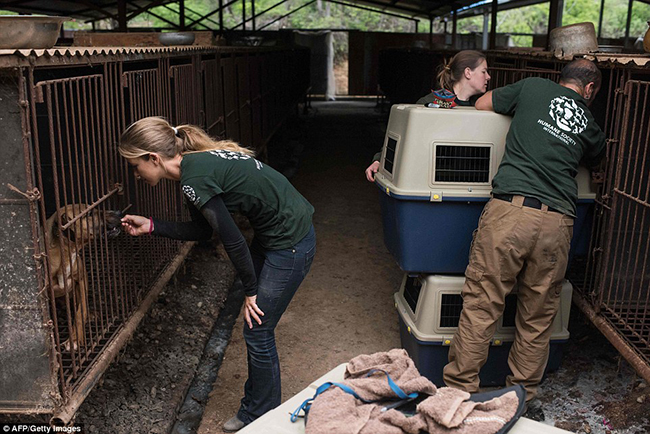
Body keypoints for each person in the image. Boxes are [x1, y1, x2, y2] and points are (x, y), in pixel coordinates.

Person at [118, 117, 316, 432]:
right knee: (256, 327)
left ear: (153, 159)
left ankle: (262, 417)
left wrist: (250, 290)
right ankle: (257, 410)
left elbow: (233, 238)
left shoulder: (193, 178)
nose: (135, 173)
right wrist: (152, 225)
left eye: (134, 165)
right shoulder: (192, 169)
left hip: (290, 243)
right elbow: (203, 230)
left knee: (258, 330)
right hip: (274, 236)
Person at [442, 59, 606, 405]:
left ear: (561, 78)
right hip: (556, 222)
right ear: (589, 89)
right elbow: (597, 160)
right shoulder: (590, 123)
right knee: (536, 318)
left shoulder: (532, 87)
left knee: (481, 305)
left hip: (509, 213)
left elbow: (482, 103)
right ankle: (521, 398)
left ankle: (458, 393)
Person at [365, 50, 491, 182]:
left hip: (471, 182)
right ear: (468, 72)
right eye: (484, 71)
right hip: (433, 182)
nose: (488, 77)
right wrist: (379, 160)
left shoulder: (481, 106)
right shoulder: (430, 103)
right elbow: (403, 135)